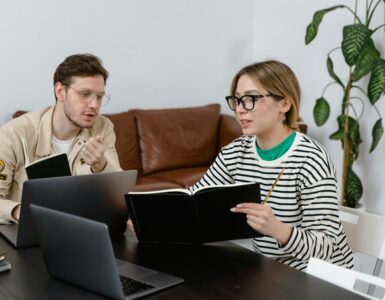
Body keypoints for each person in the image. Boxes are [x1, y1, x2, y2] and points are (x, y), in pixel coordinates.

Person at [190, 60, 354, 271]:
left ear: (284, 104)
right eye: (237, 100)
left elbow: (327, 246)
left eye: (251, 99)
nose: (240, 109)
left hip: (321, 277)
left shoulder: (312, 160)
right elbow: (193, 201)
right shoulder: (235, 152)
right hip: (270, 272)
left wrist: (279, 230)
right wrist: (153, 220)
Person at [0, 53, 122, 223]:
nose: (94, 105)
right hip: (30, 230)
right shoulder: (12, 134)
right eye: (85, 94)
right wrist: (21, 212)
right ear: (60, 91)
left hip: (83, 227)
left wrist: (101, 165)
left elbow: (119, 195)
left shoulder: (103, 127)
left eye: (99, 97)